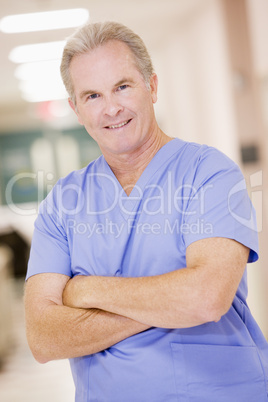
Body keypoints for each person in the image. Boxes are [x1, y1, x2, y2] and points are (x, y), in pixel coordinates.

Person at [24, 21, 268, 402]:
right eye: (92, 96)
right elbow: (42, 337)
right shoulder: (63, 202)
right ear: (76, 109)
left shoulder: (210, 173)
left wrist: (86, 290)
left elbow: (206, 298)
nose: (111, 108)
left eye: (123, 86)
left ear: (151, 87)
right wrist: (170, 302)